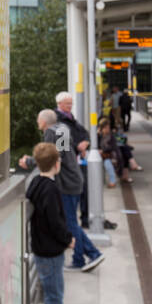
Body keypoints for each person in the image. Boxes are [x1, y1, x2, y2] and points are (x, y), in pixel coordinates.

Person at [19, 109, 106, 271]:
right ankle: (86, 256)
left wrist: (30, 161)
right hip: (73, 181)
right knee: (70, 221)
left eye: (38, 120)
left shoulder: (52, 133)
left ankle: (88, 255)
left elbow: (53, 157)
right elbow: (61, 155)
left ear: (43, 122)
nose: (38, 123)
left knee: (70, 223)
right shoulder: (62, 129)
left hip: (67, 184)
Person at [25, 142, 82, 304]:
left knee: (52, 296)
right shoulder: (50, 189)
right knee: (54, 298)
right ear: (57, 164)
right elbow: (55, 221)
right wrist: (68, 239)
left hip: (41, 249)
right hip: (50, 252)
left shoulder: (36, 183)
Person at [54, 92, 91, 229]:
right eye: (68, 104)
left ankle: (83, 220)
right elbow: (62, 147)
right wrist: (78, 147)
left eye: (71, 103)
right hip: (69, 166)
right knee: (74, 198)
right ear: (60, 104)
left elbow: (84, 132)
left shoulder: (70, 118)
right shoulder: (58, 121)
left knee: (83, 190)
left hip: (75, 163)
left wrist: (86, 142)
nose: (70, 106)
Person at [98, 119, 125, 187]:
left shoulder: (111, 136)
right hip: (101, 154)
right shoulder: (98, 135)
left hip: (109, 154)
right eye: (106, 128)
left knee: (107, 162)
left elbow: (113, 147)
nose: (107, 129)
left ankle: (113, 181)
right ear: (102, 128)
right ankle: (113, 180)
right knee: (107, 161)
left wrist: (103, 150)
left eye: (108, 127)